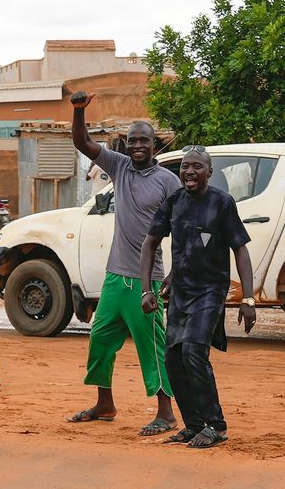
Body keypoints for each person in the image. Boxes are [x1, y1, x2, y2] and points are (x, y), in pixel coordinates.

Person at [66, 91, 180, 436]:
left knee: (151, 346)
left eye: (143, 140)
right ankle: (105, 404)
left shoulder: (168, 182)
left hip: (145, 280)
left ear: (154, 144)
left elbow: (186, 231)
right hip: (116, 277)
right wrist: (78, 110)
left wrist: (173, 275)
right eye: (131, 141)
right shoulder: (119, 166)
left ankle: (166, 412)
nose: (136, 146)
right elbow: (82, 141)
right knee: (100, 339)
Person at [140, 146, 256, 448]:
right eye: (184, 167)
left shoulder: (222, 202)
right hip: (180, 292)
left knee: (193, 352)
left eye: (196, 167)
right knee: (173, 358)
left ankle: (216, 426)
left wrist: (249, 298)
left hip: (210, 291)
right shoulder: (173, 202)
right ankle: (193, 424)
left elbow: (240, 249)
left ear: (209, 172)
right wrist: (145, 290)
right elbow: (150, 243)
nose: (189, 171)